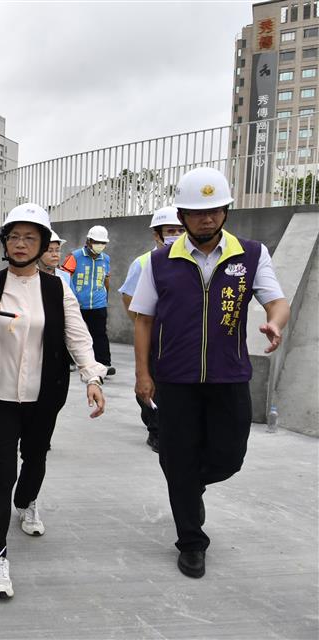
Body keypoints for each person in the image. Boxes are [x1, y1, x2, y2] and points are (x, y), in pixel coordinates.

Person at [131, 167, 289, 580]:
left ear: (226, 212)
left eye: (215, 211)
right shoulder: (160, 262)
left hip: (229, 377)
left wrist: (275, 322)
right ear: (182, 216)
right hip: (175, 380)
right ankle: (191, 542)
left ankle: (190, 484)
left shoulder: (251, 254)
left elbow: (276, 301)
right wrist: (143, 374)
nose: (207, 219)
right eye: (198, 212)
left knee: (229, 458)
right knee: (177, 459)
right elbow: (143, 319)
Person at [0, 203, 107, 600]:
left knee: (35, 458)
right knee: (1, 475)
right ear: (5, 242)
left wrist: (91, 376)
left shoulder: (57, 289)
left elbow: (77, 336)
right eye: (15, 237)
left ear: (42, 245)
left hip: (44, 395)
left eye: (30, 238)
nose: (21, 244)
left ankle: (27, 501)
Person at [119, 206, 185, 453]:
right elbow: (128, 296)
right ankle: (156, 430)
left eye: (180, 230)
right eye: (171, 231)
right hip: (154, 335)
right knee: (150, 381)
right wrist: (143, 324)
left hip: (181, 337)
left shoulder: (189, 260)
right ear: (157, 234)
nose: (176, 235)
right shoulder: (144, 262)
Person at [63, 225, 113, 375]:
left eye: (103, 243)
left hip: (98, 304)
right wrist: (70, 298)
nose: (100, 245)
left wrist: (105, 297)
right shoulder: (75, 256)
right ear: (89, 241)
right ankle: (70, 361)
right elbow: (65, 278)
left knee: (100, 334)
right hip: (77, 303)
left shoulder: (106, 259)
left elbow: (106, 279)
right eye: (96, 242)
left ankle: (104, 363)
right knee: (72, 333)